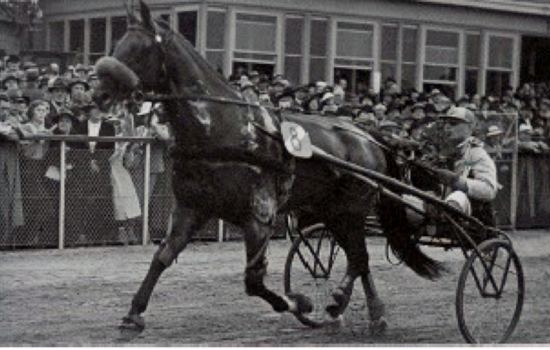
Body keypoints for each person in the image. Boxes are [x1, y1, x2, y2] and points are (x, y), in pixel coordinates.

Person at [432, 106, 498, 226]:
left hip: (474, 213)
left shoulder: (476, 152)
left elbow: (489, 189)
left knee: (457, 196)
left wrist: (457, 181)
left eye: (454, 123)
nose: (448, 127)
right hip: (444, 204)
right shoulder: (440, 149)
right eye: (446, 123)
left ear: (469, 128)